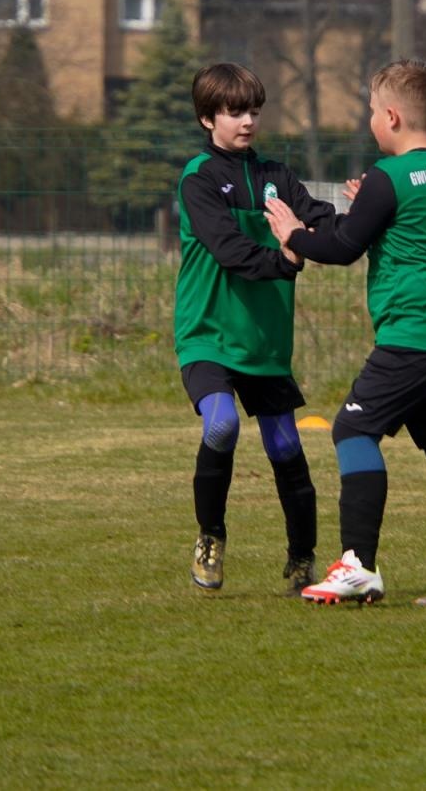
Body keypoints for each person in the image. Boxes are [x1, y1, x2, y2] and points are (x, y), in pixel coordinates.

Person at [264, 59, 426, 606]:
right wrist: (367, 204)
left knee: (352, 431)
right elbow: (401, 226)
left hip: (414, 333)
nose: (370, 119)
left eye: (372, 110)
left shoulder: (389, 179)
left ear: (391, 116)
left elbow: (342, 247)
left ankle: (358, 565)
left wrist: (295, 235)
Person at [174, 62, 338, 594]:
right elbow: (229, 250)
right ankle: (210, 539)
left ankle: (301, 558)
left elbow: (317, 217)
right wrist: (286, 262)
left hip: (265, 340)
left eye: (254, 111)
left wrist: (364, 211)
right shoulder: (198, 178)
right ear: (207, 118)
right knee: (220, 426)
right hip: (208, 333)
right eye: (234, 111)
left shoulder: (278, 179)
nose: (247, 121)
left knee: (286, 446)